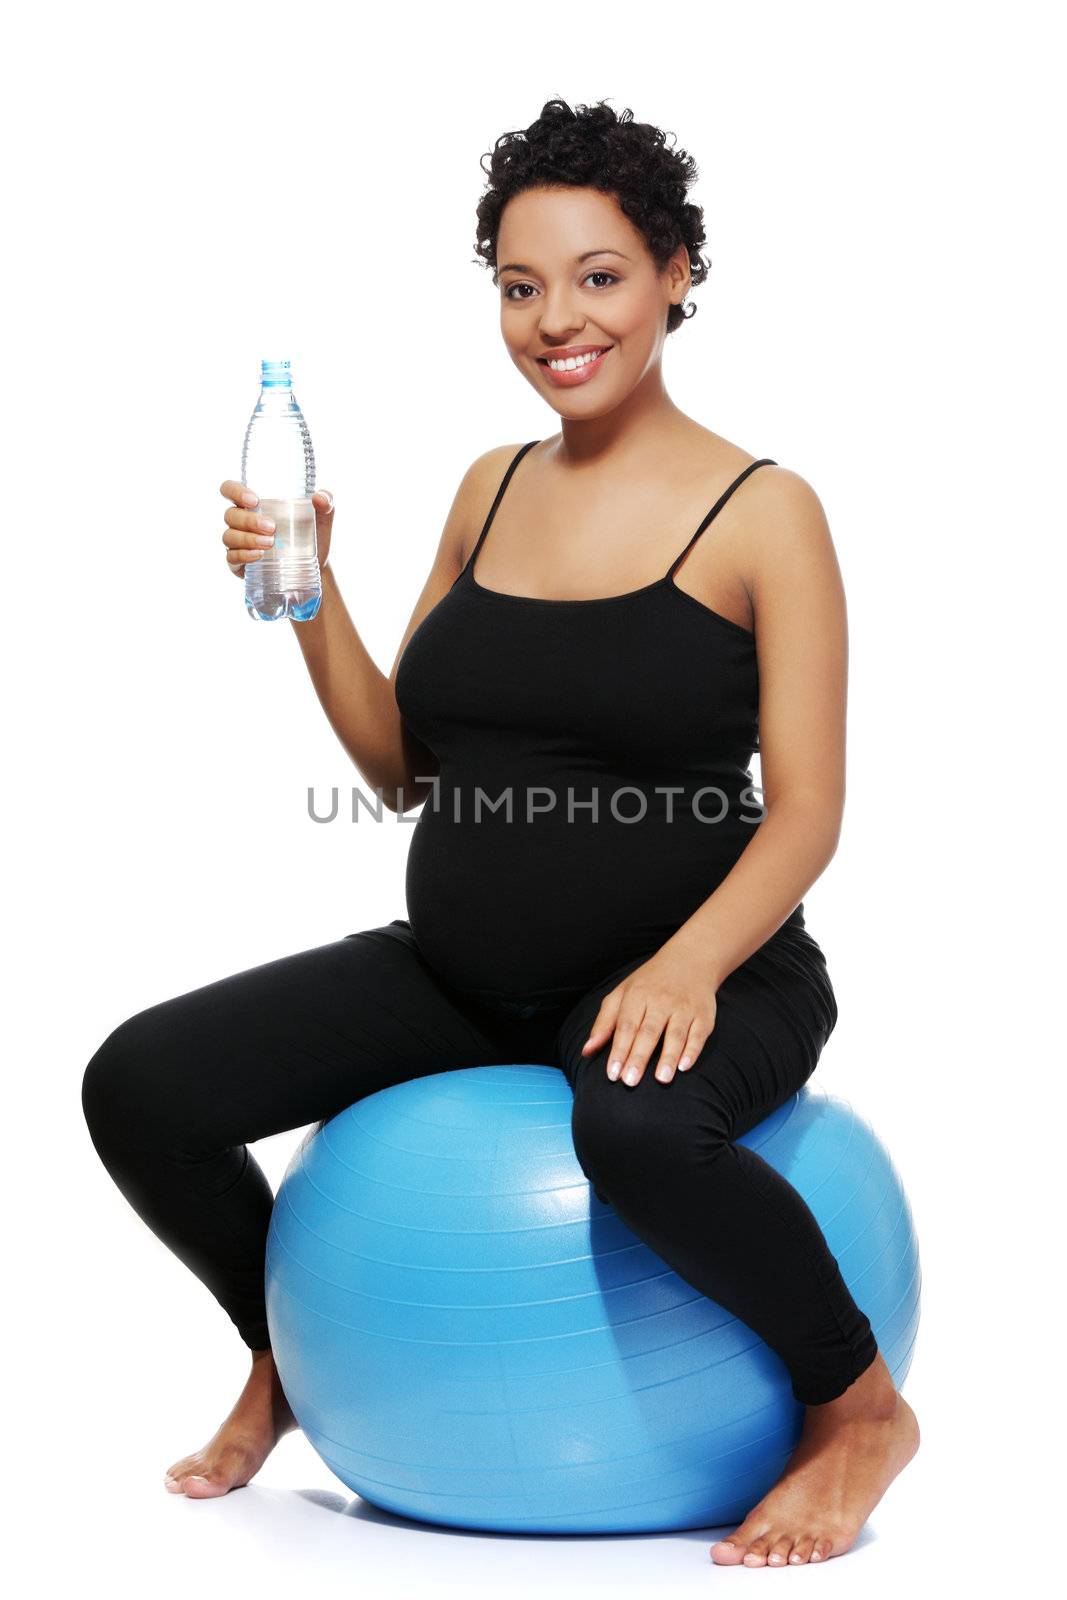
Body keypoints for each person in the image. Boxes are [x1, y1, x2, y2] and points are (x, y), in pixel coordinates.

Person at [81, 97, 919, 1566]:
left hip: (707, 971)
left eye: (597, 276)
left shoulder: (763, 511)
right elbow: (408, 763)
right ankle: (279, 1355)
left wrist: (688, 969)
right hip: (465, 977)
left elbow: (810, 810)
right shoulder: (489, 486)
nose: (556, 322)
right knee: (142, 1085)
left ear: (672, 272)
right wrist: (312, 592)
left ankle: (856, 1410)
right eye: (520, 288)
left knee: (637, 1129)